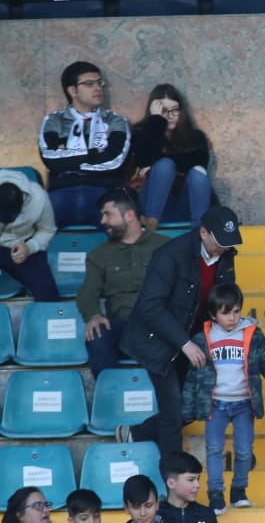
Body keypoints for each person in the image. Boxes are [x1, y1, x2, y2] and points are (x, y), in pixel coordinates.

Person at [118, 205, 241, 456]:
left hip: (193, 338)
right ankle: (172, 482)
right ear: (204, 233)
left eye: (230, 242)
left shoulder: (226, 256)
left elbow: (222, 301)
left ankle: (137, 433)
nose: (225, 247)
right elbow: (150, 307)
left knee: (192, 407)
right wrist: (185, 343)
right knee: (173, 412)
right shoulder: (170, 255)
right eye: (220, 241)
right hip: (157, 341)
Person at [181, 283, 265, 513]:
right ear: (213, 315)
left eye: (236, 311)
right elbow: (194, 376)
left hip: (244, 403)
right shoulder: (203, 339)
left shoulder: (252, 334)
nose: (232, 318)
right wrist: (187, 409)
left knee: (244, 450)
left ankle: (238, 491)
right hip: (215, 404)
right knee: (214, 449)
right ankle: (215, 495)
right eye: (225, 313)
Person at [78, 188, 169, 378]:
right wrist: (93, 315)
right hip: (123, 328)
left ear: (129, 215)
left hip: (159, 325)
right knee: (97, 334)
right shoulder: (99, 256)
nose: (103, 221)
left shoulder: (165, 247)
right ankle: (112, 397)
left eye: (108, 215)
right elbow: (87, 292)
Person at [38, 61, 131, 228]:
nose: (97, 88)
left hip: (104, 193)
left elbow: (115, 162)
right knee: (34, 225)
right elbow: (50, 158)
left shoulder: (115, 121)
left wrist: (69, 159)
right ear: (72, 90)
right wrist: (95, 154)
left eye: (99, 83)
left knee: (121, 223)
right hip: (62, 192)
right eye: (89, 84)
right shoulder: (54, 121)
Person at [127, 84, 212, 230]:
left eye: (175, 110)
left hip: (183, 202)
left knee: (196, 173)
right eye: (164, 111)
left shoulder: (195, 136)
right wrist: (156, 123)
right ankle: (151, 226)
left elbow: (199, 162)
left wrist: (159, 164)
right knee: (165, 166)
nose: (170, 116)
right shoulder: (141, 132)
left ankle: (200, 233)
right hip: (149, 204)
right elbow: (142, 160)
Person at [0, 170, 58, 301]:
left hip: (21, 246)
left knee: (47, 291)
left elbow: (47, 230)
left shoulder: (39, 197)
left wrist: (29, 247)